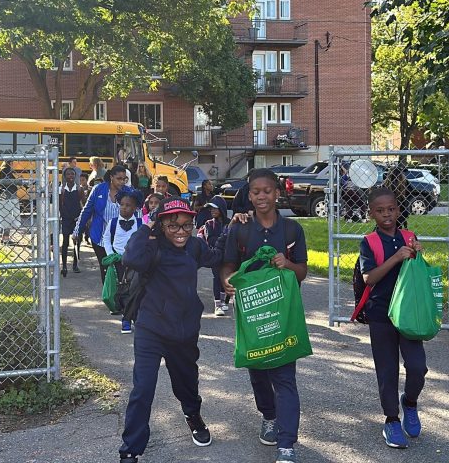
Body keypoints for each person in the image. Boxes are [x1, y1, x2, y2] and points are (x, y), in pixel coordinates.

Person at [118, 199, 225, 463]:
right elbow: (130, 257)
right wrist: (147, 227)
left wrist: (232, 229)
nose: (180, 231)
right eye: (173, 225)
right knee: (143, 388)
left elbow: (217, 257)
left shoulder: (195, 246)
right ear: (162, 224)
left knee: (186, 383)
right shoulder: (151, 246)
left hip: (184, 330)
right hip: (151, 328)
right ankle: (131, 449)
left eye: (186, 225)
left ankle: (193, 415)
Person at [221, 169, 309, 463]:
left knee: (284, 376)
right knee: (257, 371)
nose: (261, 196)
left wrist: (288, 264)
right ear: (249, 195)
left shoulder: (293, 230)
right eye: (255, 191)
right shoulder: (240, 228)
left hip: (283, 312)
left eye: (267, 191)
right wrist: (227, 280)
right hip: (251, 312)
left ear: (277, 193)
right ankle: (269, 416)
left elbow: (302, 272)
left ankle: (287, 443)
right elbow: (229, 264)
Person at [359, 186, 426, 449]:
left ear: (398, 210)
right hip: (381, 314)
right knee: (387, 371)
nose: (387, 214)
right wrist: (396, 258)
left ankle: (409, 402)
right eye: (380, 211)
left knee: (418, 366)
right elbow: (369, 278)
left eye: (391, 209)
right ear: (371, 214)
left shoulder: (409, 236)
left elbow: (417, 272)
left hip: (409, 313)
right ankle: (391, 421)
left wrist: (417, 253)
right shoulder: (369, 242)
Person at [74, 165, 131, 284]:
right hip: (100, 238)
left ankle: (120, 297)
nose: (122, 182)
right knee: (106, 269)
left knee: (121, 268)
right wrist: (77, 230)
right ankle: (108, 296)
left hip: (121, 239)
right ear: (111, 177)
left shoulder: (128, 192)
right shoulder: (98, 189)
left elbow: (138, 213)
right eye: (118, 178)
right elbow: (87, 210)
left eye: (124, 179)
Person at [101, 188, 144, 333]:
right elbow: (106, 239)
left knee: (135, 289)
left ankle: (131, 318)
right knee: (122, 289)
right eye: (122, 204)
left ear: (135, 208)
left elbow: (143, 241)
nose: (124, 208)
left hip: (134, 263)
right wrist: (110, 254)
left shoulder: (140, 223)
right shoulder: (113, 223)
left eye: (128, 205)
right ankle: (126, 316)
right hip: (118, 261)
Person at [197, 195, 230, 316]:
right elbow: (211, 240)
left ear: (222, 209)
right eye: (211, 209)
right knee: (217, 278)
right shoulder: (209, 224)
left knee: (225, 278)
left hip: (228, 256)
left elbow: (233, 239)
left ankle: (223, 300)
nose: (212, 211)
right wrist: (224, 238)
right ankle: (218, 304)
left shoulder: (230, 222)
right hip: (214, 255)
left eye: (215, 208)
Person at [60, 167, 84, 275]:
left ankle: (75, 264)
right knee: (65, 242)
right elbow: (59, 204)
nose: (71, 176)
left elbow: (83, 203)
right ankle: (64, 265)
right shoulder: (61, 189)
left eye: (73, 174)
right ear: (64, 176)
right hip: (66, 219)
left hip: (76, 219)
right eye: (68, 174)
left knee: (76, 242)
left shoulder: (79, 189)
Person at [0, 161, 19, 244]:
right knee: (8, 217)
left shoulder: (4, 170)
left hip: (5, 194)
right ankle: (5, 238)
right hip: (7, 195)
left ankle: (4, 237)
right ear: (11, 163)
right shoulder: (6, 170)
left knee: (5, 216)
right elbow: (11, 182)